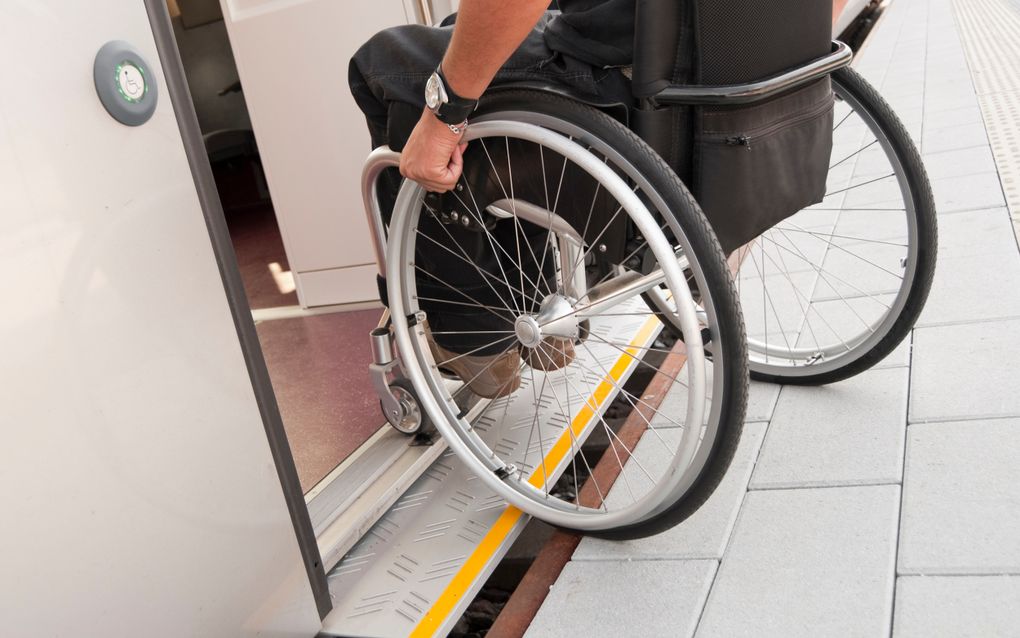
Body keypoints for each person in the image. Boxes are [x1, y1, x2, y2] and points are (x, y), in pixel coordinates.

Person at [349, 1, 637, 398]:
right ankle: (533, 297)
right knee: (462, 32)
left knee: (383, 61)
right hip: (673, 84)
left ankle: (472, 331)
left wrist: (442, 117)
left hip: (603, 74)